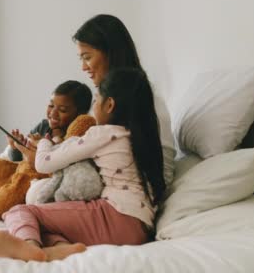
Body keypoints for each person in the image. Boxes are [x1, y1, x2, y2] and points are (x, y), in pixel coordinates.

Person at [0, 68, 166, 262]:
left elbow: (44, 164)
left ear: (109, 105)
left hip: (115, 216)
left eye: (96, 100)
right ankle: (59, 248)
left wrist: (45, 142)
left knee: (20, 211)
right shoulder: (144, 139)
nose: (94, 107)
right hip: (140, 229)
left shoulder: (102, 133)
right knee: (44, 226)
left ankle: (27, 246)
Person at [72, 14, 176, 186]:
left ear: (111, 53)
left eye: (87, 57)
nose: (83, 67)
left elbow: (163, 174)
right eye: (81, 59)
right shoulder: (101, 102)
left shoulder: (146, 102)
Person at [0, 80, 92, 161]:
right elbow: (18, 161)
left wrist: (43, 146)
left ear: (80, 113)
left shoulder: (77, 137)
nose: (52, 113)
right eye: (51, 106)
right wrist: (16, 147)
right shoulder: (43, 126)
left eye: (62, 110)